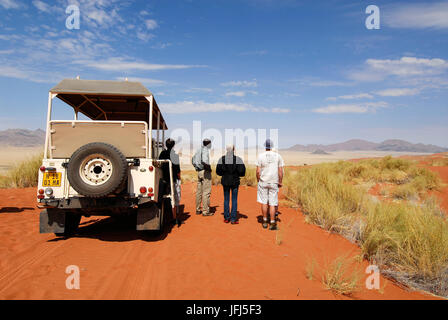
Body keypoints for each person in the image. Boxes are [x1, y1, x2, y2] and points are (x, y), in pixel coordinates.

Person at [256, 139, 284, 230]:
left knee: (264, 202)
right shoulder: (278, 156)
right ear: (271, 146)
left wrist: (258, 180)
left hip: (263, 181)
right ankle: (272, 223)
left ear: (265, 146)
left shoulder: (260, 156)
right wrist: (280, 181)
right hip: (273, 182)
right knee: (272, 203)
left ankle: (264, 221)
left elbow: (258, 171)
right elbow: (280, 171)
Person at [216, 145, 246, 224]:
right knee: (234, 200)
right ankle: (233, 219)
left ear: (226, 149)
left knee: (226, 199)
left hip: (225, 181)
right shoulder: (238, 159)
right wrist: (236, 174)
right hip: (235, 182)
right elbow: (242, 171)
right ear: (233, 149)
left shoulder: (222, 159)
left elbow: (218, 171)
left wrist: (224, 173)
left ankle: (226, 218)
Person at [159, 138, 182, 227]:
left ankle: (166, 216)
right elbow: (177, 169)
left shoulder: (162, 154)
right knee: (175, 197)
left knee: (165, 196)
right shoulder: (174, 155)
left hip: (164, 178)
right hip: (173, 179)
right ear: (173, 145)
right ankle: (174, 217)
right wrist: (179, 178)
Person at [192, 138, 213, 216]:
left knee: (199, 192)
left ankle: (198, 209)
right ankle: (205, 211)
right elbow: (204, 161)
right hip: (205, 172)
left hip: (199, 172)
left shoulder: (198, 150)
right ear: (208, 144)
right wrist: (209, 169)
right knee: (206, 192)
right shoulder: (205, 150)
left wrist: (197, 167)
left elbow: (193, 160)